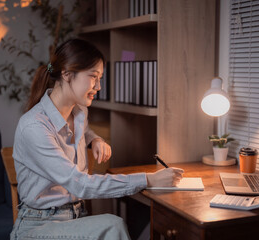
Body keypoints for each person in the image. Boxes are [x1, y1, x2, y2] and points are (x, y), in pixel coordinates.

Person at [10, 38, 184, 240]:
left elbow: (83, 130)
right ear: (66, 74)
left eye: (100, 78)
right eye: (93, 77)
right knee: (113, 225)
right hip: (39, 226)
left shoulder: (79, 111)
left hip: (76, 219)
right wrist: (147, 179)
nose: (99, 86)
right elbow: (80, 184)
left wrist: (95, 139)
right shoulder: (34, 127)